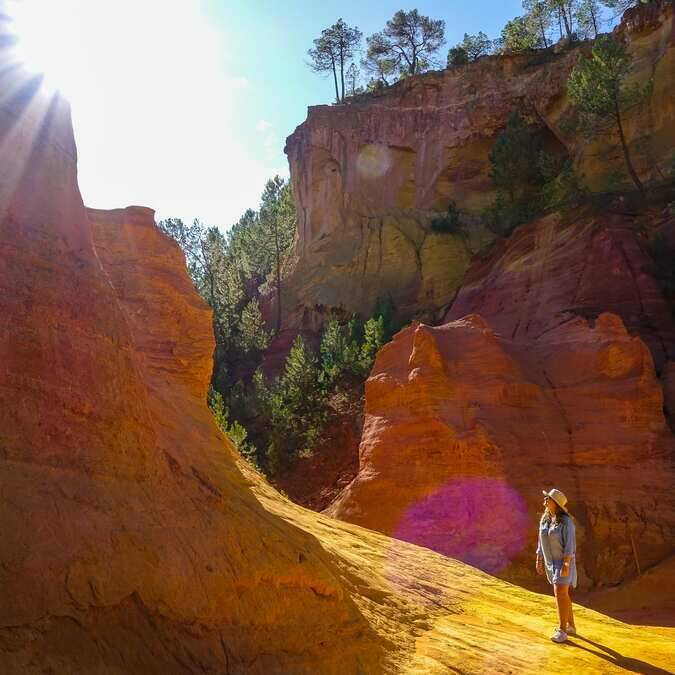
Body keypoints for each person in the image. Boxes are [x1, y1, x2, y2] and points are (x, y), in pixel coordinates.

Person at [536, 488, 577, 643]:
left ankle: (562, 630)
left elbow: (570, 546)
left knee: (559, 592)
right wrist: (538, 559)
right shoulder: (545, 519)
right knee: (563, 594)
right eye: (546, 497)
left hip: (563, 562)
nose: (545, 500)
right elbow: (540, 541)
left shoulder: (566, 522)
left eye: (548, 498)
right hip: (551, 563)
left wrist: (566, 565)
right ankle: (571, 625)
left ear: (556, 503)